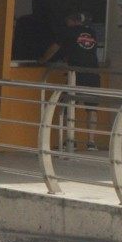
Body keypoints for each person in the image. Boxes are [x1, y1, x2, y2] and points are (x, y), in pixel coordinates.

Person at [44, 11, 101, 150]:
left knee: (68, 106)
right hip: (93, 73)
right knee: (92, 108)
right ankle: (91, 142)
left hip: (76, 73)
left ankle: (70, 140)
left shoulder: (68, 32)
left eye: (67, 21)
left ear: (72, 21)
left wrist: (43, 60)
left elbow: (55, 48)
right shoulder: (92, 32)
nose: (66, 23)